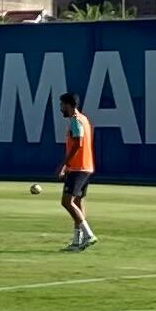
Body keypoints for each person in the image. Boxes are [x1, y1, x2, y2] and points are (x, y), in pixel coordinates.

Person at [56, 91, 97, 250]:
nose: (61, 109)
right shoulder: (84, 119)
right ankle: (77, 241)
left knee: (66, 201)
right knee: (78, 202)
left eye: (62, 105)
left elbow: (78, 143)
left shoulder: (75, 120)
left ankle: (88, 234)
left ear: (68, 105)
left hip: (78, 167)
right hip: (87, 166)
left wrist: (64, 165)